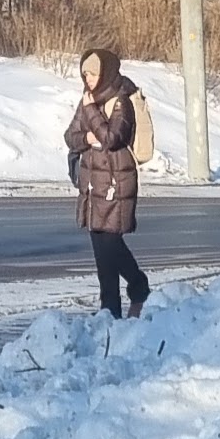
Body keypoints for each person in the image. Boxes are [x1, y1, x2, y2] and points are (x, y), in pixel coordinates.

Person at [66, 46, 149, 318]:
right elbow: (70, 136)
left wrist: (91, 111)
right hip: (93, 186)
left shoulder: (121, 99)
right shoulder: (87, 100)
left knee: (110, 248)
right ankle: (118, 304)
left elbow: (112, 138)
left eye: (92, 74)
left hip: (116, 184)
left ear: (105, 72)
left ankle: (129, 294)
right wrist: (87, 138)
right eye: (85, 75)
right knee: (102, 254)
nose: (88, 79)